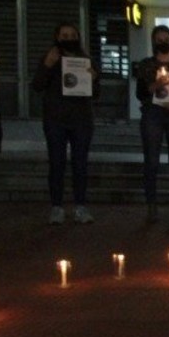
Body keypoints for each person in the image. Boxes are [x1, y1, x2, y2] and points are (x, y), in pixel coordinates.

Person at [31, 22, 100, 225]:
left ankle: (80, 206)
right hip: (56, 120)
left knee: (80, 164)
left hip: (81, 120)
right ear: (57, 37)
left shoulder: (87, 61)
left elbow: (96, 95)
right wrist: (47, 65)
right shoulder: (50, 58)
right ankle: (57, 207)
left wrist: (94, 79)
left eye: (72, 34)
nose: (69, 38)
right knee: (57, 163)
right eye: (64, 34)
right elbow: (37, 85)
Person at [132, 25, 169, 223]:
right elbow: (140, 93)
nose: (163, 42)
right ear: (153, 41)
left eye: (167, 38)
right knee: (152, 161)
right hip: (153, 113)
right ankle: (151, 206)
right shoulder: (146, 64)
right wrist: (155, 85)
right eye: (159, 39)